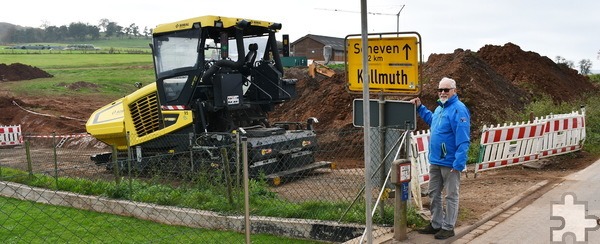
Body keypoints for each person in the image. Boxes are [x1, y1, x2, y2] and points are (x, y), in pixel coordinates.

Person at [409, 77, 471, 240]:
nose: (443, 93)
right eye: (440, 90)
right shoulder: (440, 109)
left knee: (451, 195)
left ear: (454, 91)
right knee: (433, 193)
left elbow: (463, 139)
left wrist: (458, 163)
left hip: (450, 163)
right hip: (435, 160)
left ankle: (448, 227)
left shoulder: (458, 109)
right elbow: (433, 122)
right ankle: (436, 223)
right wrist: (420, 108)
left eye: (446, 90)